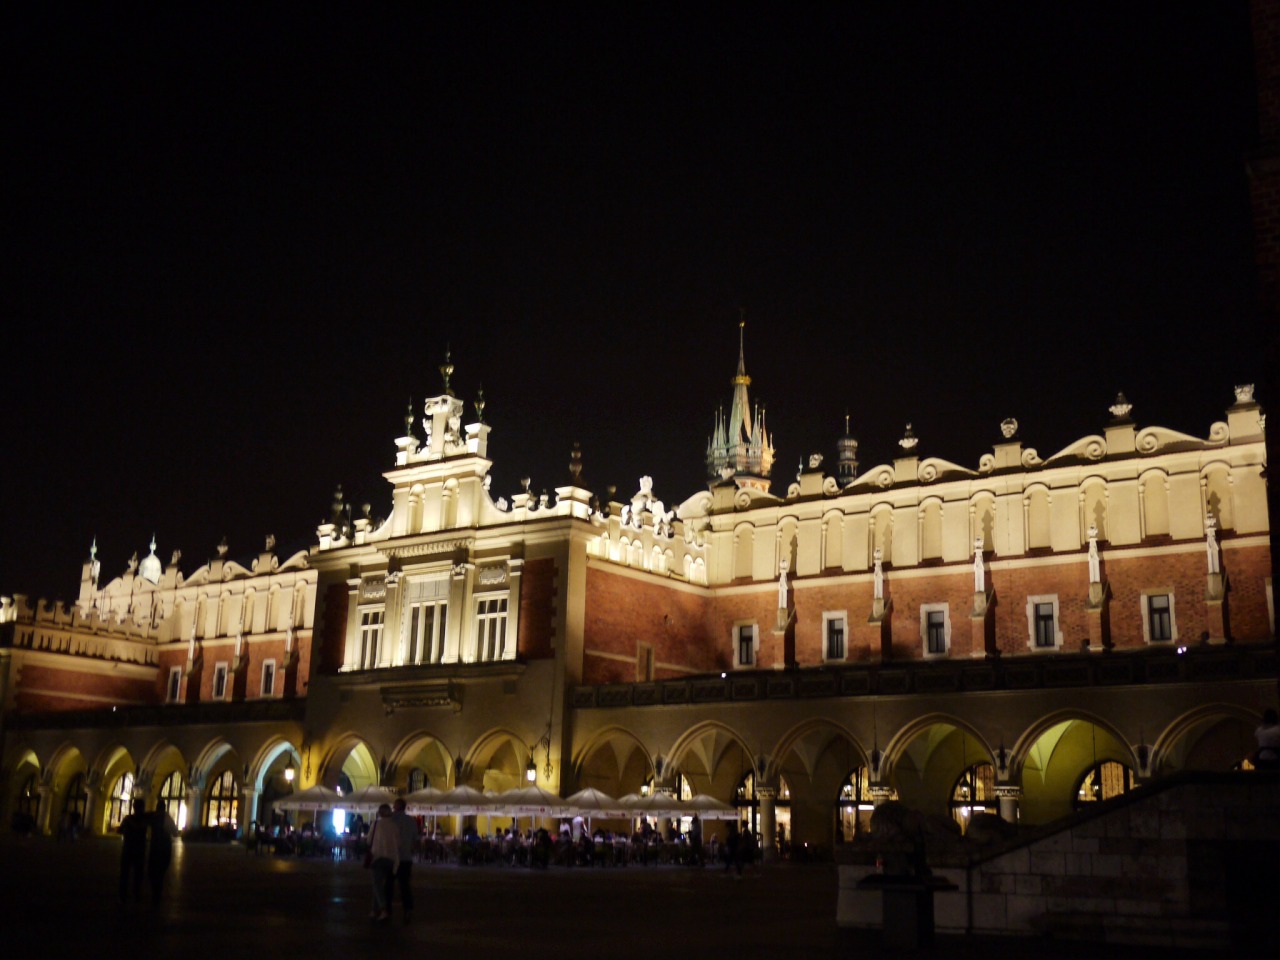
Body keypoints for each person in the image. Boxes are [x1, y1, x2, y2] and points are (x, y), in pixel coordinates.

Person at [387, 798, 418, 923]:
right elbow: (414, 838)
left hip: (391, 857)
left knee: (388, 885)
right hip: (406, 857)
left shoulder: (390, 820)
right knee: (405, 885)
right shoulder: (411, 821)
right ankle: (408, 910)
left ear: (396, 806)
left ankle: (387, 910)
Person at [367, 803, 398, 922]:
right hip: (390, 858)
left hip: (377, 857)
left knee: (377, 884)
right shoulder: (394, 826)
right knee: (379, 884)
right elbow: (398, 842)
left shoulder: (376, 824)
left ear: (379, 813)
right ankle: (374, 910)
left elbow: (369, 840)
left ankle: (383, 910)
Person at [118, 799, 150, 903]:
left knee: (125, 872)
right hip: (140, 849)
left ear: (134, 807)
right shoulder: (145, 819)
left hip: (128, 848)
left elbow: (119, 830)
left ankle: (123, 893)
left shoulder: (128, 819)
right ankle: (136, 893)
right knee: (138, 873)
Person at [148, 807, 178, 904]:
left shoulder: (153, 817)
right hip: (165, 848)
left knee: (153, 871)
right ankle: (157, 893)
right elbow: (175, 833)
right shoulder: (168, 819)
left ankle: (154, 892)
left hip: (155, 847)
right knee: (161, 872)